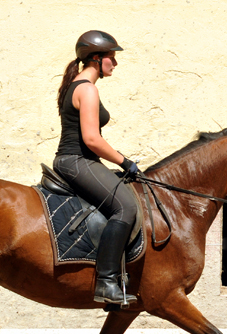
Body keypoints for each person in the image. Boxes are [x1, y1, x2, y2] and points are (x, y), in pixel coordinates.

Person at [53, 30, 140, 305]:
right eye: (111, 57)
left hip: (80, 161)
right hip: (76, 161)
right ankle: (106, 283)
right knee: (125, 207)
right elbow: (91, 139)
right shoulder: (87, 89)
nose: (115, 63)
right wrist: (124, 161)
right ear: (96, 58)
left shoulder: (77, 85)